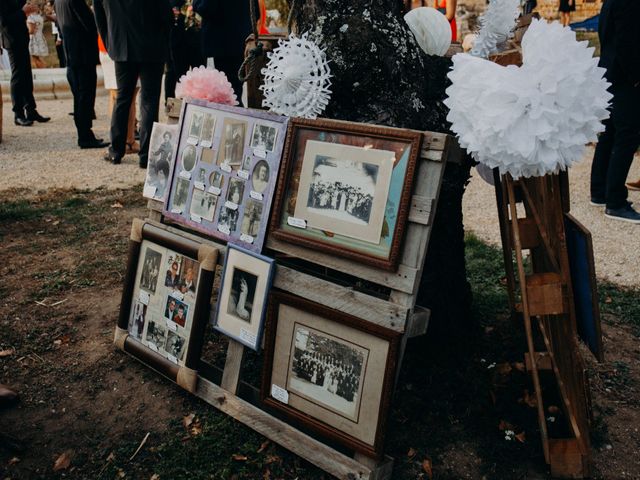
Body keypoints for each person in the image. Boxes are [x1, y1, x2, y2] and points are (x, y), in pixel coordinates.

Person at [93, 0, 172, 167]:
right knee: (149, 101)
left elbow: (99, 18)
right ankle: (146, 155)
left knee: (123, 99)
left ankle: (116, 151)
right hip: (152, 46)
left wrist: (111, 44)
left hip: (122, 45)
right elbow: (166, 16)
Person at [590, 0, 640, 224]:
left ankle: (599, 191)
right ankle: (616, 201)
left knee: (609, 133)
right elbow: (627, 42)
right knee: (627, 135)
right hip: (625, 77)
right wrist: (636, 77)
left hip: (610, 70)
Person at [55, 0, 109, 149]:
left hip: (72, 53)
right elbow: (90, 24)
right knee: (85, 96)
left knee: (80, 96)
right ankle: (85, 135)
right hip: (83, 54)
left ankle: (85, 133)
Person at [192, 0, 259, 101]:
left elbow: (206, 8)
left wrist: (195, 3)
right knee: (235, 91)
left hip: (220, 44)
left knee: (222, 93)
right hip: (242, 42)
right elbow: (256, 13)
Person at [0, 0, 50, 126]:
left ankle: (31, 110)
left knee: (27, 75)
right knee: (17, 76)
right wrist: (23, 12)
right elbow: (3, 21)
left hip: (22, 38)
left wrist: (29, 10)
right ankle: (18, 114)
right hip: (11, 39)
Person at [165, 0, 204, 103]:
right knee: (173, 73)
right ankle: (170, 104)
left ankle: (197, 105)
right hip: (175, 38)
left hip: (197, 39)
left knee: (199, 74)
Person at [27, 4, 48, 69]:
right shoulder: (39, 17)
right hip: (40, 36)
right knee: (37, 57)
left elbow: (31, 31)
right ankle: (42, 69)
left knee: (35, 57)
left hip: (34, 38)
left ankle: (43, 70)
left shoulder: (31, 17)